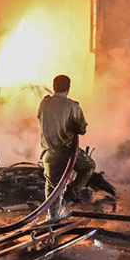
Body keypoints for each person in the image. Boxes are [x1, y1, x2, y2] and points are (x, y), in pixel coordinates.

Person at [37, 74, 95, 218]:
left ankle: (53, 218)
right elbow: (82, 129)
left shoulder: (44, 103)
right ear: (68, 88)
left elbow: (39, 117)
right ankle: (72, 192)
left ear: (53, 87)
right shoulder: (73, 106)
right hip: (67, 152)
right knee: (89, 166)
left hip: (48, 153)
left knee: (53, 187)